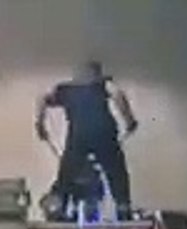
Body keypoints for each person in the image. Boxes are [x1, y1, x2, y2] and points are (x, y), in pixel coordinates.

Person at [35, 60, 139, 220]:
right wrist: (130, 121)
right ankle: (123, 207)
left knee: (67, 173)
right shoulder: (103, 84)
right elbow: (118, 94)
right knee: (116, 171)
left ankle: (58, 205)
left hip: (79, 136)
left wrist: (40, 124)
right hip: (103, 133)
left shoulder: (66, 89)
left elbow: (42, 98)